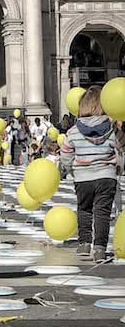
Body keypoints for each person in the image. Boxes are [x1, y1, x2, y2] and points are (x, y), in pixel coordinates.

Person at [60, 85, 124, 263]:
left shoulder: (73, 131)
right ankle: (100, 249)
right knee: (102, 213)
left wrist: (70, 169)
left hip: (82, 178)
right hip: (106, 176)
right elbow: (122, 147)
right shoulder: (112, 130)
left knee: (84, 210)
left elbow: (65, 154)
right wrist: (118, 168)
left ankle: (84, 244)